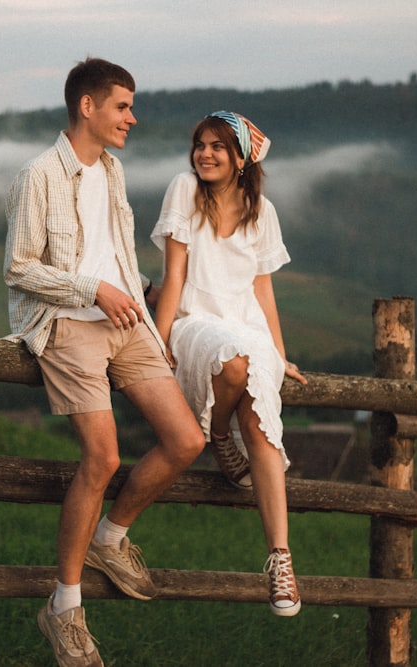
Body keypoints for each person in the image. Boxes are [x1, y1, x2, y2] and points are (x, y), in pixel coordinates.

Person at [4, 57, 205, 667]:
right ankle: (63, 609)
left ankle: (110, 538)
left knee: (186, 440)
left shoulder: (112, 171)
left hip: (126, 322)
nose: (131, 118)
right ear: (87, 106)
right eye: (122, 106)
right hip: (70, 324)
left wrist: (147, 303)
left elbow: (113, 251)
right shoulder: (38, 174)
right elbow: (18, 267)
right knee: (104, 456)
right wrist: (92, 290)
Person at [151, 111, 308, 617]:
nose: (206, 154)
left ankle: (281, 562)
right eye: (200, 144)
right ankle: (218, 437)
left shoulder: (262, 211)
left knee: (262, 426)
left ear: (241, 158)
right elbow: (173, 276)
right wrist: (157, 338)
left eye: (219, 146)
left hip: (247, 325)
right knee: (235, 363)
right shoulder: (183, 189)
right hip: (196, 321)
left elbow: (263, 289)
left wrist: (280, 355)